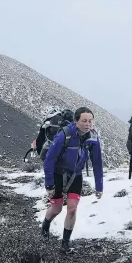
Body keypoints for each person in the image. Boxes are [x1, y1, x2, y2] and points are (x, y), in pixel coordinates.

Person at [41, 107, 104, 253]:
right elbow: (49, 160)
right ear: (76, 121)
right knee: (56, 209)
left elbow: (97, 163)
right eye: (84, 121)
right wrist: (49, 184)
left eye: (90, 121)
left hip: (76, 175)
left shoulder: (93, 138)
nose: (88, 124)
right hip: (57, 175)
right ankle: (46, 224)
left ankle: (65, 244)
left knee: (72, 209)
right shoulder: (65, 135)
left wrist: (99, 186)